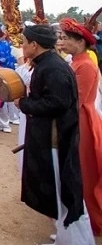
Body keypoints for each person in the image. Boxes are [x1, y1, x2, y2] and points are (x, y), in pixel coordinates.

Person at [16, 24, 93, 243]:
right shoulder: (46, 64)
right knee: (59, 195)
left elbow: (57, 103)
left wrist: (24, 104)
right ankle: (64, 239)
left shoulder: (52, 68)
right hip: (50, 138)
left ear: (34, 44)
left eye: (24, 42)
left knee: (64, 194)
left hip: (55, 140)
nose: (22, 47)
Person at [60, 18, 102, 235]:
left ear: (80, 42)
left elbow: (76, 100)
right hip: (77, 120)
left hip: (82, 122)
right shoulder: (75, 62)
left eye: (66, 38)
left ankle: (89, 220)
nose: (62, 42)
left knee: (83, 171)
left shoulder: (85, 65)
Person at [0, 26, 20, 131]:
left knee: (7, 97)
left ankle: (8, 121)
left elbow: (9, 58)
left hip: (5, 73)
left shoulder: (6, 44)